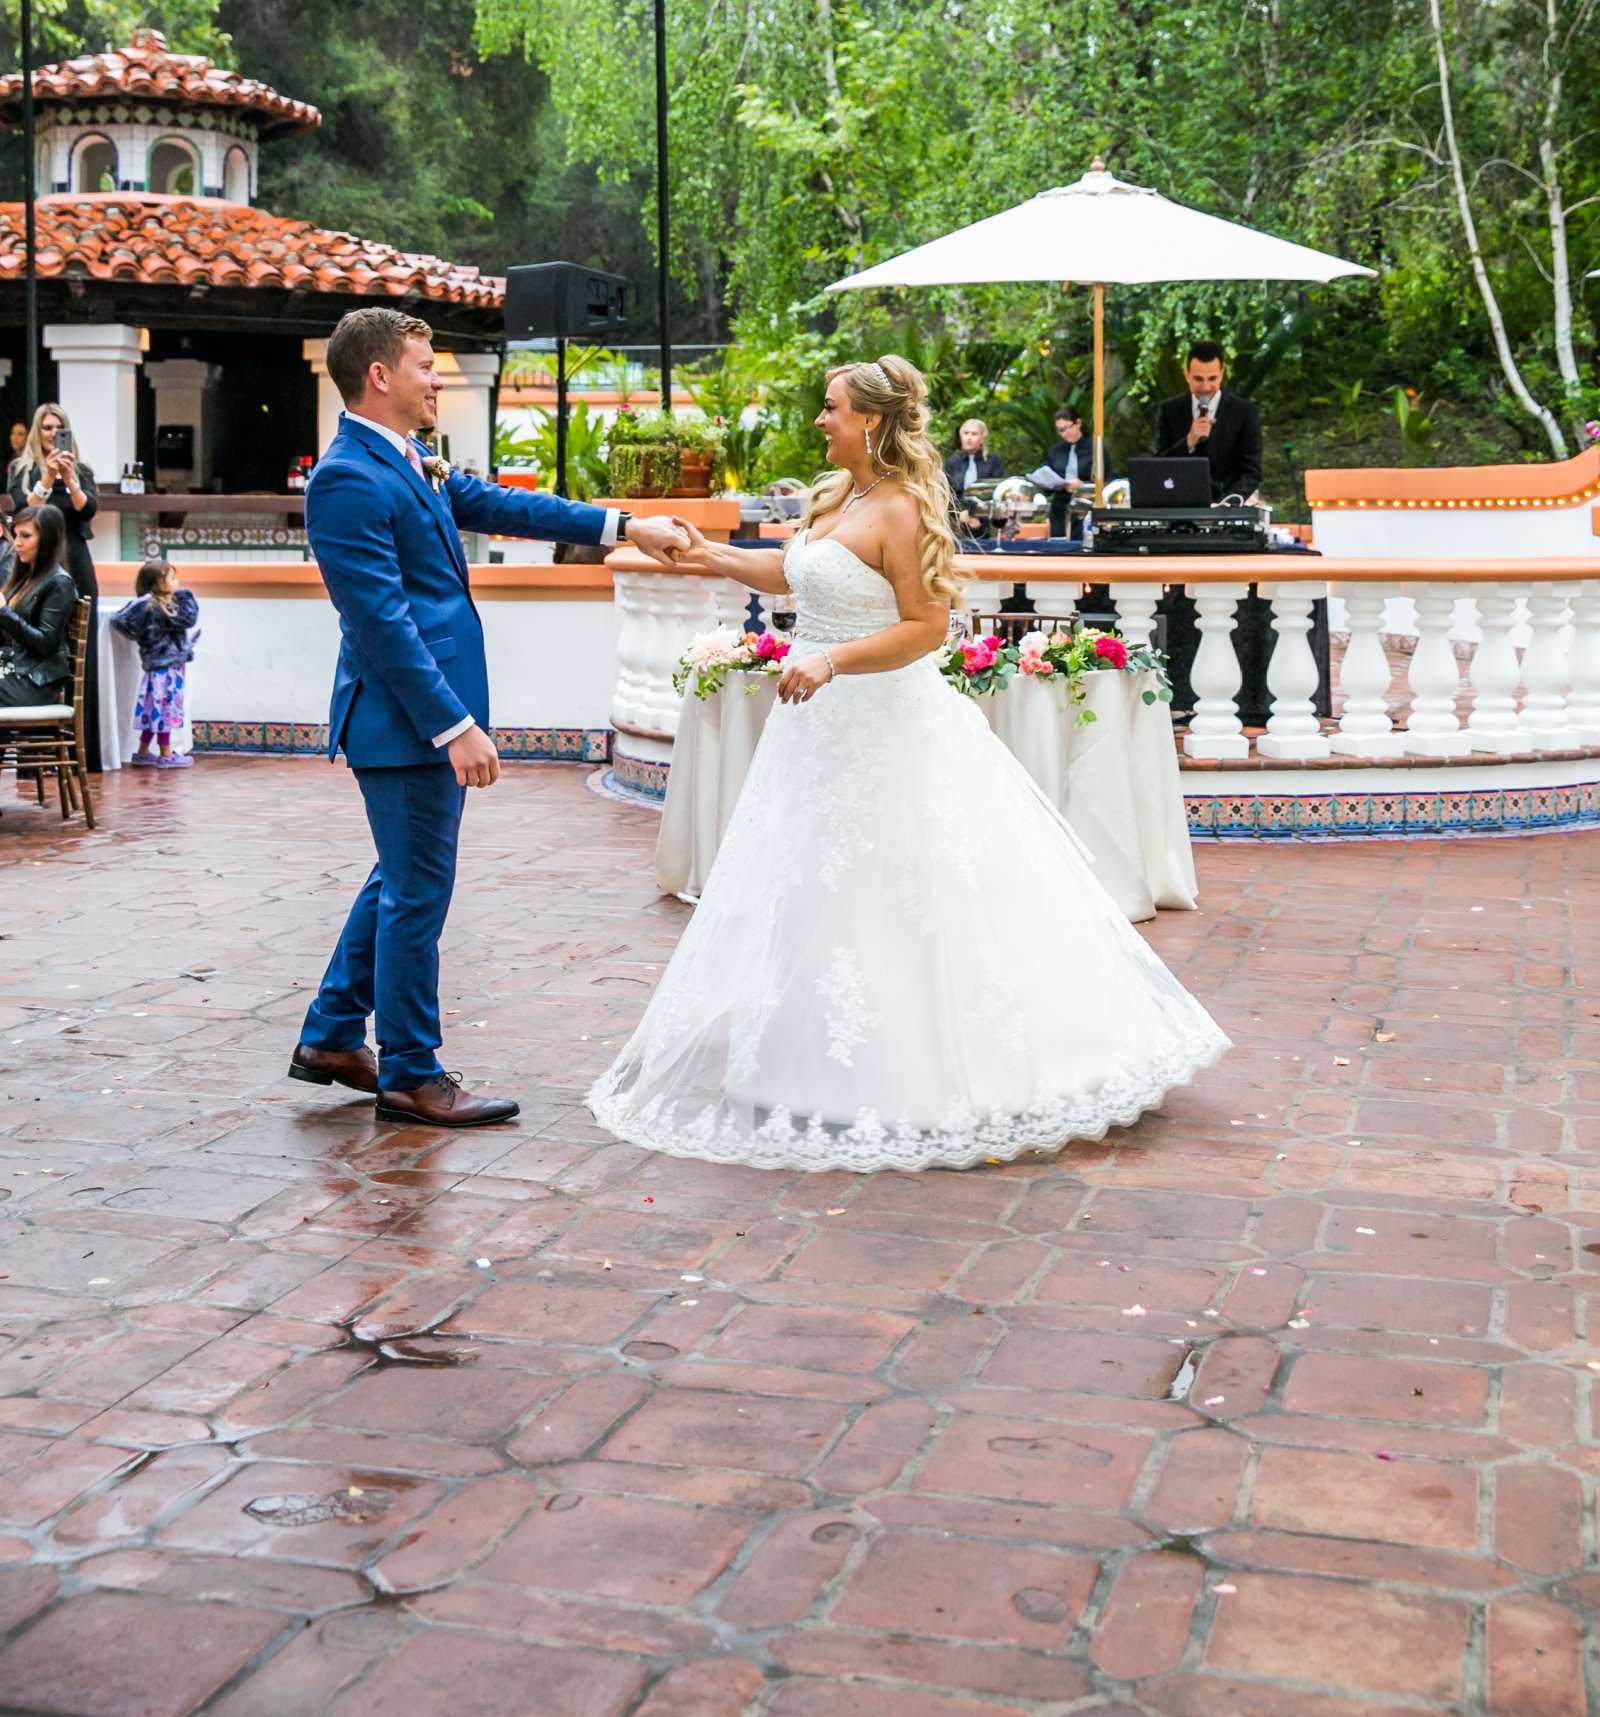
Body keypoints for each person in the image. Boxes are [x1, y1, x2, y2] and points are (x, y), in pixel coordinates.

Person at [587, 354, 1229, 1173]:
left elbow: (926, 629)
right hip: (816, 734)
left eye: (831, 408)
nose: (819, 420)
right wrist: (706, 553)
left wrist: (831, 661)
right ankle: (809, 1054)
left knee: (907, 886)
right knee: (821, 885)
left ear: (873, 422)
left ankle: (927, 1067)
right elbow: (788, 575)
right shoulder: (836, 499)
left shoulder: (901, 509)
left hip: (883, 719)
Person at [292, 306, 688, 1128]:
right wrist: (453, 725)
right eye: (424, 365)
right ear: (379, 376)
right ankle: (410, 1073)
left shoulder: (411, 460)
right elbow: (381, 622)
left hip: (417, 718)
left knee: (400, 877)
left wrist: (626, 525)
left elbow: (508, 506)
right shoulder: (346, 477)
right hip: (405, 720)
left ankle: (333, 1034)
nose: (435, 378)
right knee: (415, 891)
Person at [12, 404, 101, 768]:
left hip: (75, 563)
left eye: (58, 427)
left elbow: (87, 510)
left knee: (81, 655)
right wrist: (46, 479)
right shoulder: (23, 470)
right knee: (32, 646)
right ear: (37, 431)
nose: (52, 434)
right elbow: (23, 512)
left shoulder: (81, 469)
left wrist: (71, 481)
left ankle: (82, 751)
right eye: (46, 428)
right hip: (35, 567)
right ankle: (37, 752)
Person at [111, 558, 201, 769]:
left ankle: (142, 752)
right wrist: (185, 595)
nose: (177, 581)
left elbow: (119, 620)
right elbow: (190, 619)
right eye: (172, 577)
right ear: (157, 583)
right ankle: (166, 754)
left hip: (160, 666)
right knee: (165, 711)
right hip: (166, 668)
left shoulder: (154, 605)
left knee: (155, 710)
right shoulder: (161, 607)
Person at [1153, 343, 1262, 502]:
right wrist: (1189, 441)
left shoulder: (1245, 412)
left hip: (1226, 511)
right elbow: (1158, 466)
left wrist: (1225, 506)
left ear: (1222, 374)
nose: (1205, 387)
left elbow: (1251, 472)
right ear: (1186, 375)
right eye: (1198, 379)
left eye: (1212, 378)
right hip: (1180, 506)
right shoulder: (1169, 410)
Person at [0, 504, 78, 713]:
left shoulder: (59, 582)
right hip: (11, 669)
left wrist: (3, 611)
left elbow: (46, 643)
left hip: (34, 682)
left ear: (47, 539)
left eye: (25, 536)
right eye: (15, 535)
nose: (16, 543)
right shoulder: (24, 578)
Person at [1036, 406, 1105, 539]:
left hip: (1086, 505)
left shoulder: (1095, 449)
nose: (1065, 433)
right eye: (1060, 430)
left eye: (1067, 428)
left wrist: (1084, 486)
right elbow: (1046, 480)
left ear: (1078, 423)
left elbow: (1107, 479)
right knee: (1057, 544)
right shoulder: (1054, 451)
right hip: (1060, 505)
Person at [943, 417, 1005, 539]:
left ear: (982, 438)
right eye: (966, 433)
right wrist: (961, 513)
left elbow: (994, 492)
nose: (969, 437)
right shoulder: (951, 462)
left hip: (987, 521)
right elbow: (946, 493)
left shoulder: (993, 462)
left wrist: (975, 514)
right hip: (956, 522)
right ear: (961, 436)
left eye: (974, 434)